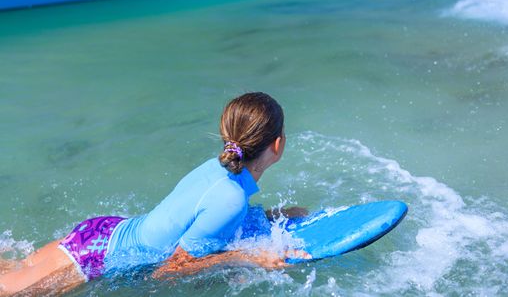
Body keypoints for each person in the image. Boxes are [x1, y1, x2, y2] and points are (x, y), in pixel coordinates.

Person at [0, 92, 309, 296]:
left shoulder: (220, 167)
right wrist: (249, 258)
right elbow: (169, 271)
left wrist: (271, 218)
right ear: (278, 145)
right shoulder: (231, 198)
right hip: (93, 259)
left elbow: (201, 220)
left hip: (103, 232)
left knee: (12, 269)